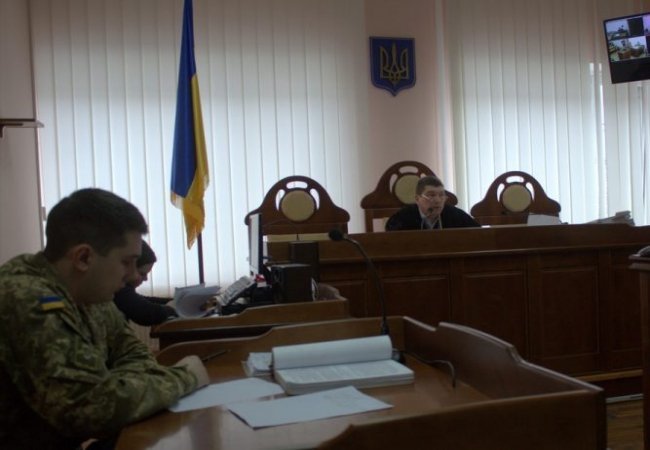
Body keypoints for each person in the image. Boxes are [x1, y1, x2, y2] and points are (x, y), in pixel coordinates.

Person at [0, 188, 209, 450]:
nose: (132, 276)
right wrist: (186, 378)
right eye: (126, 262)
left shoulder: (89, 293)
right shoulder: (28, 297)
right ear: (83, 258)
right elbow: (91, 409)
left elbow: (131, 352)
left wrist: (115, 388)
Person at [113, 241, 178, 326]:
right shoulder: (118, 291)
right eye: (142, 273)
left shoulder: (123, 291)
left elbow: (141, 300)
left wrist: (171, 302)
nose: (146, 279)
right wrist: (172, 309)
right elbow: (145, 313)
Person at [385, 175, 480, 231]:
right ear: (417, 199)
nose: (438, 200)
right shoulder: (402, 218)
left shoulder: (456, 215)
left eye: (441, 195)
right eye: (431, 195)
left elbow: (478, 233)